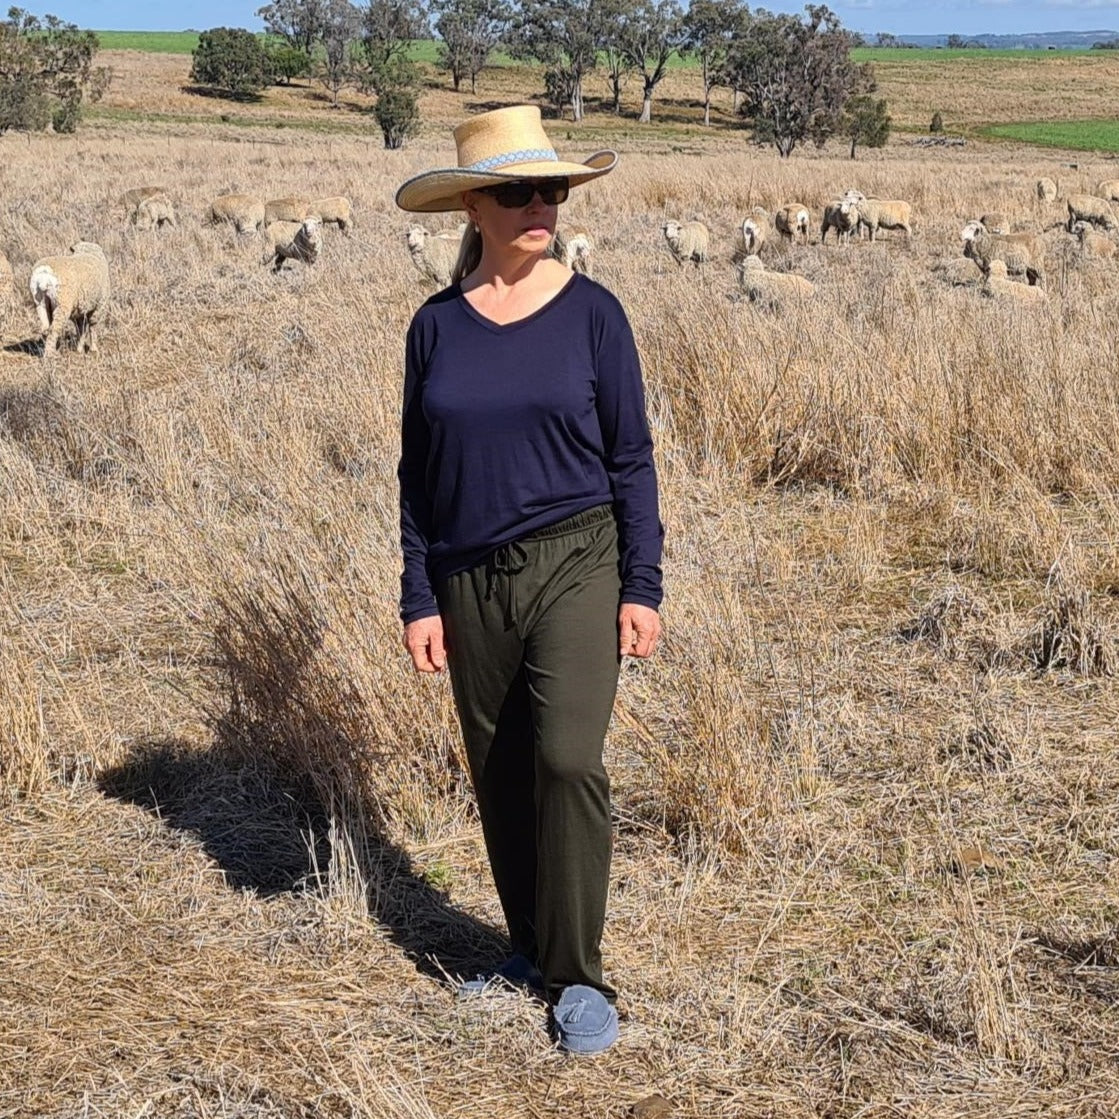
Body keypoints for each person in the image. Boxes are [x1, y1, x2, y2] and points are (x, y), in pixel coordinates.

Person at [394, 105, 663, 1055]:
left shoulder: (594, 313)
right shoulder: (434, 328)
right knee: (501, 771)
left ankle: (580, 974)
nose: (539, 204)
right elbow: (416, 474)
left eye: (550, 187)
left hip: (577, 559)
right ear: (473, 204)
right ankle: (526, 949)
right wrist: (419, 593)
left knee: (565, 760)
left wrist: (643, 582)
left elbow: (631, 457)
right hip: (468, 575)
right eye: (517, 190)